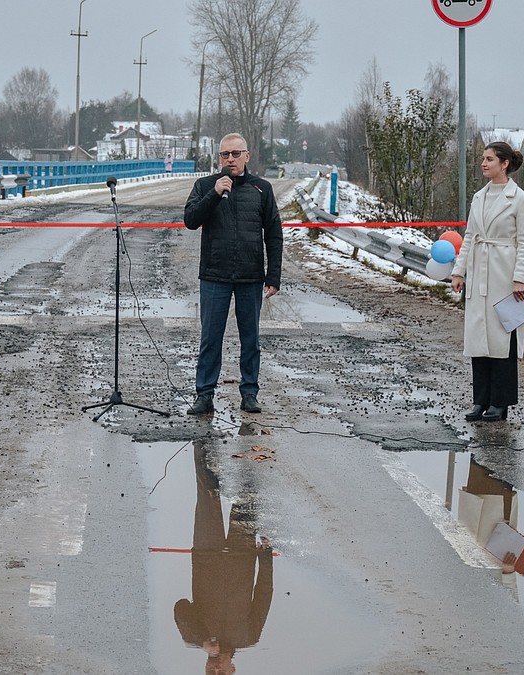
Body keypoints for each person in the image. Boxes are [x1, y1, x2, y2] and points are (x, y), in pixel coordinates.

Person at [183, 132, 283, 415]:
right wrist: (214, 194)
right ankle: (204, 394)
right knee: (210, 339)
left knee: (251, 339)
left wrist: (273, 275)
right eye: (225, 155)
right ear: (219, 159)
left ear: (247, 156)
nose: (230, 160)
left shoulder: (262, 189)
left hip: (250, 276)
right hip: (215, 275)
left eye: (235, 154)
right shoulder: (205, 186)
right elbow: (190, 220)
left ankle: (249, 393)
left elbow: (274, 233)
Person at [450, 141, 524, 423]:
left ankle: (500, 403)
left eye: (489, 159)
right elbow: (470, 236)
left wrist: (519, 278)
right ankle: (480, 401)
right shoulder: (479, 197)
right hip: (479, 275)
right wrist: (459, 271)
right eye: (483, 159)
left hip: (504, 275)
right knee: (478, 339)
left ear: (504, 163)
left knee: (502, 338)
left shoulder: (521, 199)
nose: (483, 164)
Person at [174, 441, 274, 674]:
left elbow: (180, 607)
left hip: (206, 552)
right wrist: (266, 556)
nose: (215, 669)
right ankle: (250, 434)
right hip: (243, 553)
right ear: (233, 669)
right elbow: (264, 593)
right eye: (222, 674)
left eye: (210, 673)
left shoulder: (193, 637)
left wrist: (202, 640)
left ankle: (202, 438)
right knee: (248, 490)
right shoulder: (249, 637)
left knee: (208, 487)